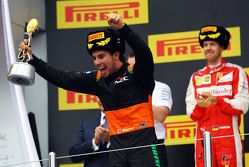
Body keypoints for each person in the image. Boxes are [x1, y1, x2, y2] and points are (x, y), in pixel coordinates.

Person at [19, 13, 165, 167]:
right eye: (94, 58)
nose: (97, 62)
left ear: (116, 54)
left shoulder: (136, 74)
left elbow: (144, 54)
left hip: (145, 149)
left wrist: (123, 28)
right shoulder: (98, 80)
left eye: (101, 56)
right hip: (118, 153)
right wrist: (33, 60)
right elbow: (62, 78)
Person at [185, 25, 249, 167]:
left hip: (228, 139)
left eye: (212, 44)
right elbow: (190, 112)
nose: (208, 48)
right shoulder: (196, 76)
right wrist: (200, 107)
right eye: (205, 44)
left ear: (222, 47)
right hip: (203, 139)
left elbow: (243, 106)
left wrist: (217, 101)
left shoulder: (236, 71)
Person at [127, 52, 173, 166]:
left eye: (135, 67)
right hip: (128, 145)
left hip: (152, 143)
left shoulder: (161, 87)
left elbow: (161, 115)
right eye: (129, 66)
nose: (131, 70)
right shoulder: (121, 88)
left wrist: (137, 100)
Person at [69, 97, 109, 167]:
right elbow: (74, 155)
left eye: (104, 95)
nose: (101, 99)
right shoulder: (87, 123)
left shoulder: (126, 121)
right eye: (98, 96)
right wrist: (94, 142)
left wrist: (110, 141)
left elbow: (132, 153)